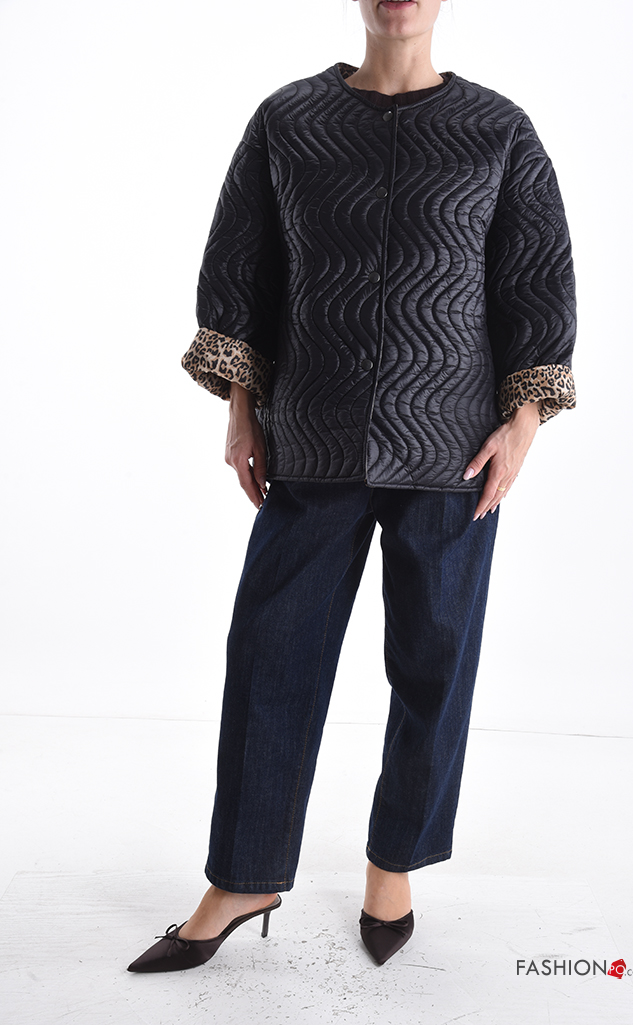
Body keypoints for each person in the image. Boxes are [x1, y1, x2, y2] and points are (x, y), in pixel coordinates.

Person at [127, 0, 576, 973]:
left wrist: (524, 422)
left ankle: (394, 861)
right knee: (271, 656)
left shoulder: (497, 130)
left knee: (434, 663)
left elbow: (534, 281)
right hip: (312, 435)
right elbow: (242, 268)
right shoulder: (288, 119)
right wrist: (240, 410)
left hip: (453, 449)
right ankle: (245, 875)